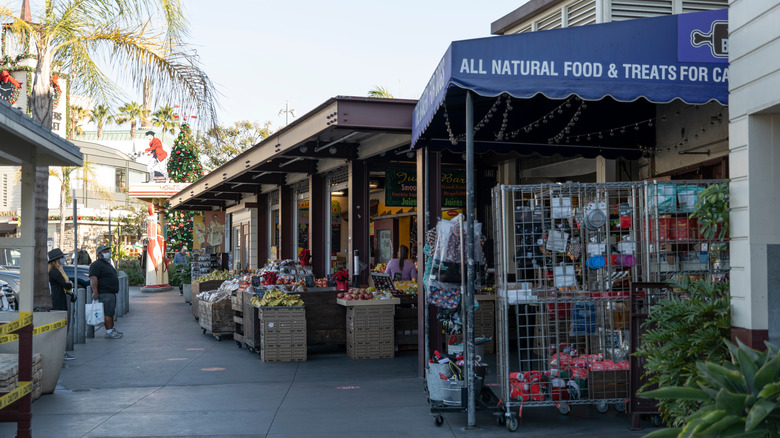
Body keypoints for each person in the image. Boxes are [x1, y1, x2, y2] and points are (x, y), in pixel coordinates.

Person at [48, 248, 76, 360]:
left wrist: (68, 284)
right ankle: (61, 352)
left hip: (63, 298)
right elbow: (66, 285)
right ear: (57, 260)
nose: (64, 259)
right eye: (61, 258)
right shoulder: (55, 272)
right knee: (64, 325)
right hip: (60, 300)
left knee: (66, 324)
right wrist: (69, 284)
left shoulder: (58, 271)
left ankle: (62, 351)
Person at [89, 245, 123, 339]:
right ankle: (109, 331)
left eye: (108, 251)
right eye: (105, 251)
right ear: (99, 254)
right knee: (107, 313)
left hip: (110, 292)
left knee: (110, 312)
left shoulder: (106, 264)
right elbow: (93, 278)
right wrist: (95, 292)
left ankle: (111, 329)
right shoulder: (96, 265)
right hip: (104, 292)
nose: (107, 253)